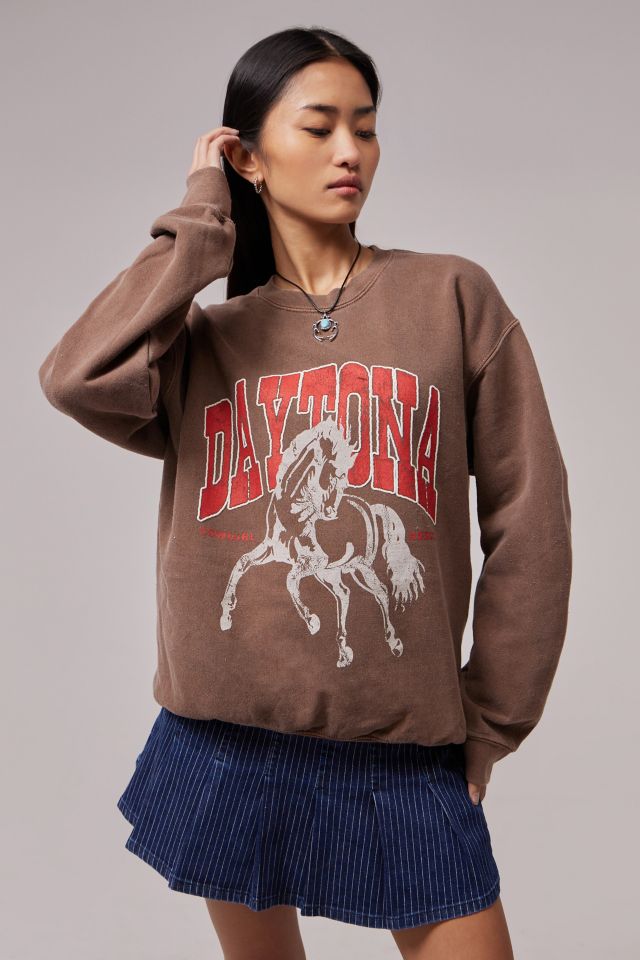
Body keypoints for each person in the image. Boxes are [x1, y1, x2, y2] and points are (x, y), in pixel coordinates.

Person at [38, 25, 571, 960]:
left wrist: (491, 722)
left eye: (366, 127)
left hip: (403, 759)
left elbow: (531, 522)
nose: (349, 151)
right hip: (223, 749)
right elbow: (75, 377)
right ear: (247, 156)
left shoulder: (452, 297)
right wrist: (201, 221)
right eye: (319, 126)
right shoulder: (202, 341)